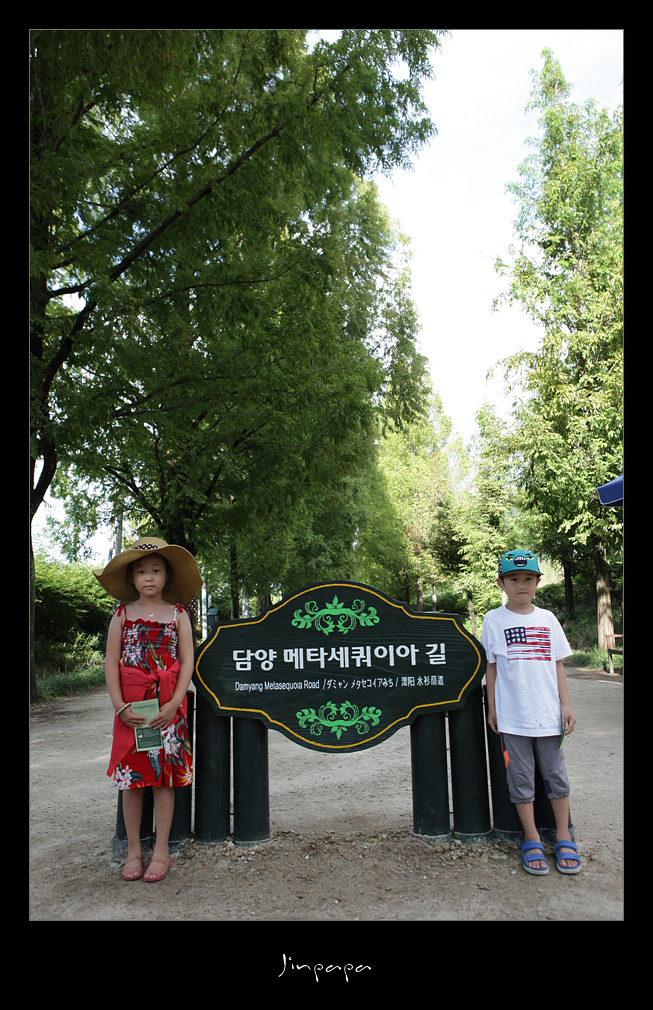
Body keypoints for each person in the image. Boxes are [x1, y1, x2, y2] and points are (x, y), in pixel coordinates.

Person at [94, 537, 202, 882]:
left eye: (156, 570)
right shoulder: (122, 615)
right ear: (132, 578)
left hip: (167, 709)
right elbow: (111, 663)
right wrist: (119, 707)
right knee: (132, 780)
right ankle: (133, 852)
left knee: (163, 779)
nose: (149, 577)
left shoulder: (179, 614)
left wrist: (174, 703)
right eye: (141, 571)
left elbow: (187, 661)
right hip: (133, 710)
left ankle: (161, 851)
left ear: (167, 576)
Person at [481, 550, 581, 876]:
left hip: (548, 715)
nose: (521, 585)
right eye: (514, 579)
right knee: (520, 778)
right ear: (501, 583)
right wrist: (493, 707)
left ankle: (563, 836)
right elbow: (491, 667)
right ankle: (532, 837)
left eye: (528, 579)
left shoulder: (547, 619)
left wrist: (566, 705)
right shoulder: (493, 620)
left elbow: (558, 664)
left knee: (556, 777)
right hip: (512, 717)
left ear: (537, 582)